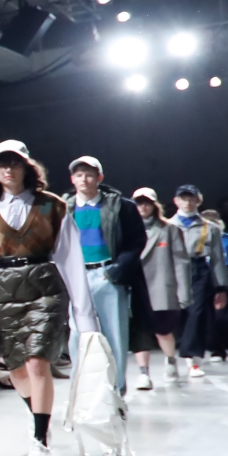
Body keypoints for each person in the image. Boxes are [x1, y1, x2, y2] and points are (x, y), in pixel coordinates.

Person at [0, 141, 98, 456]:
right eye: (2, 164)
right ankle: (39, 416)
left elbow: (70, 259)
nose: (8, 169)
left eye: (15, 163)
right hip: (3, 291)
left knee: (37, 362)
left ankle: (40, 439)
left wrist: (83, 314)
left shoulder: (52, 207)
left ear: (26, 167)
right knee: (17, 368)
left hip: (45, 288)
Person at [66, 157, 155, 394]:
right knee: (77, 337)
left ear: (99, 178)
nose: (84, 179)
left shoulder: (121, 206)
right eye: (79, 175)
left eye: (89, 174)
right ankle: (80, 392)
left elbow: (137, 241)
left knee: (114, 335)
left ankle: (116, 391)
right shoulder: (64, 208)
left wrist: (116, 271)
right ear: (72, 179)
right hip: (77, 278)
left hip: (108, 275)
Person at [167, 186, 228, 377]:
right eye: (183, 198)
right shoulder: (166, 225)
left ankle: (192, 360)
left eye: (191, 198)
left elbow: (218, 258)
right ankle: (171, 357)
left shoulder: (209, 228)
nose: (187, 202)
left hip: (198, 269)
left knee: (197, 313)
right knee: (174, 315)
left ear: (198, 201)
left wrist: (221, 287)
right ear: (176, 201)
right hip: (171, 270)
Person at [130, 188, 189, 389]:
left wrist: (183, 292)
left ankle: (171, 361)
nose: (143, 207)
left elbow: (181, 262)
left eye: (146, 202)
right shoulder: (126, 229)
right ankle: (143, 373)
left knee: (163, 330)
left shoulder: (169, 229)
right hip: (136, 287)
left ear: (155, 205)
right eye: (138, 203)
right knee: (140, 332)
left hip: (162, 288)